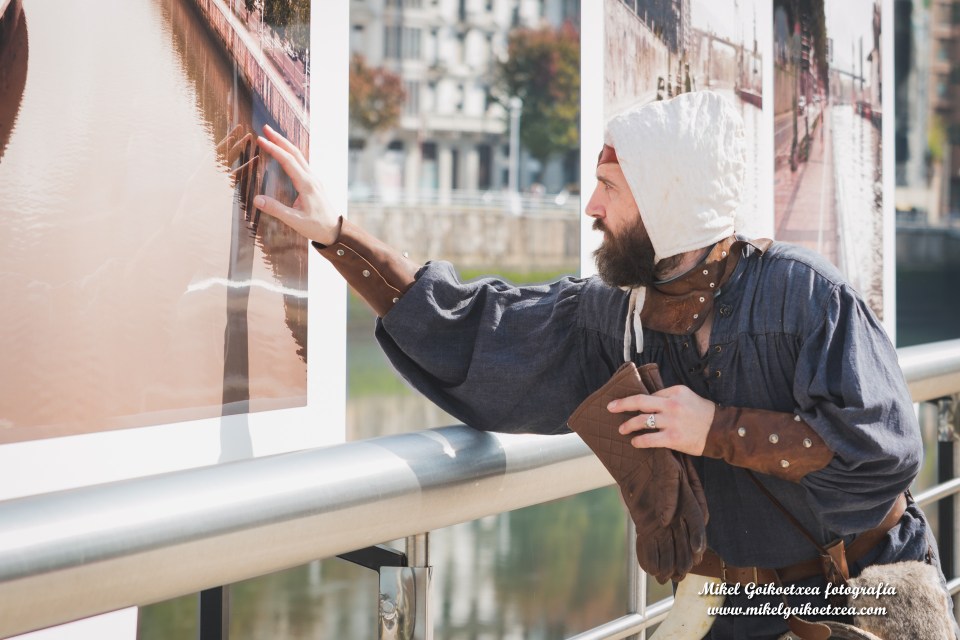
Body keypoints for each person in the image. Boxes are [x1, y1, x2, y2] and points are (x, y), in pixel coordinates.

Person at [253, 92, 957, 639]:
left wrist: (717, 428)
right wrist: (342, 239)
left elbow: (881, 451)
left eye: (610, 187)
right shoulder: (614, 316)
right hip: (741, 610)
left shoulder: (808, 294)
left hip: (861, 598)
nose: (590, 206)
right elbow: (477, 327)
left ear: (668, 201)